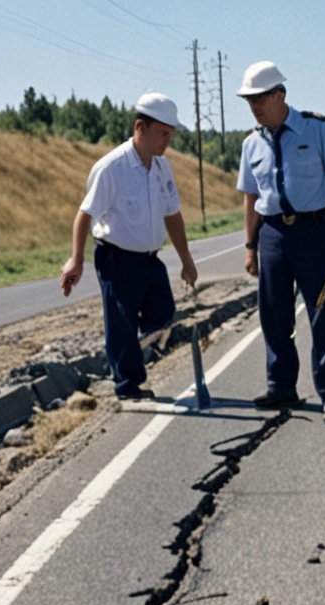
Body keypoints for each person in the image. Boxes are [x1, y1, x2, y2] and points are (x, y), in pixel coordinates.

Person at [236, 61, 325, 425]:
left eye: (260, 98)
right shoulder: (251, 144)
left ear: (280, 95)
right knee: (274, 315)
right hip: (272, 235)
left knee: (323, 314)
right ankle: (281, 386)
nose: (254, 106)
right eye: (249, 100)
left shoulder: (316, 129)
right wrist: (250, 246)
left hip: (314, 232)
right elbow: (250, 197)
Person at [59, 92, 198, 400]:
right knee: (121, 323)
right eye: (162, 133)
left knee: (163, 314)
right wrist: (76, 259)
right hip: (117, 260)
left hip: (149, 260)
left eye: (171, 134)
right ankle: (128, 386)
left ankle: (131, 357)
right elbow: (85, 214)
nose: (167, 141)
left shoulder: (162, 168)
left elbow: (173, 217)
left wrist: (187, 261)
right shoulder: (113, 168)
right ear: (140, 128)